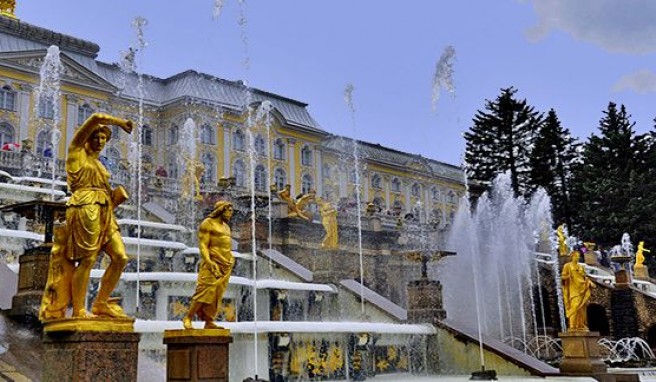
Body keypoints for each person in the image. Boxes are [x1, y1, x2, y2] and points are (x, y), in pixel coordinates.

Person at [40, 113, 133, 320]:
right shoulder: (76, 152)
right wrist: (120, 123)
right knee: (87, 259)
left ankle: (100, 304)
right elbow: (96, 117)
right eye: (96, 137)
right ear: (87, 137)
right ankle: (79, 310)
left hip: (105, 210)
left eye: (103, 139)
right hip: (84, 206)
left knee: (120, 257)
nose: (100, 142)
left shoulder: (98, 163)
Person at [183, 201, 235, 329]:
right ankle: (188, 317)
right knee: (204, 291)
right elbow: (203, 245)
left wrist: (231, 258)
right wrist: (208, 261)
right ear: (221, 210)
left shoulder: (226, 227)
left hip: (226, 263)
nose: (230, 214)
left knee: (218, 294)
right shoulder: (208, 223)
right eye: (229, 211)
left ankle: (209, 320)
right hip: (212, 261)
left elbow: (226, 245)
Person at [561, 250, 595, 330]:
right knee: (575, 306)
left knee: (582, 309)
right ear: (572, 257)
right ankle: (572, 325)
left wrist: (590, 282)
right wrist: (567, 277)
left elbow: (585, 277)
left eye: (578, 256)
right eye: (575, 256)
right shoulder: (567, 266)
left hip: (582, 289)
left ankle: (581, 325)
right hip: (573, 290)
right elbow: (563, 277)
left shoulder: (580, 267)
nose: (577, 258)